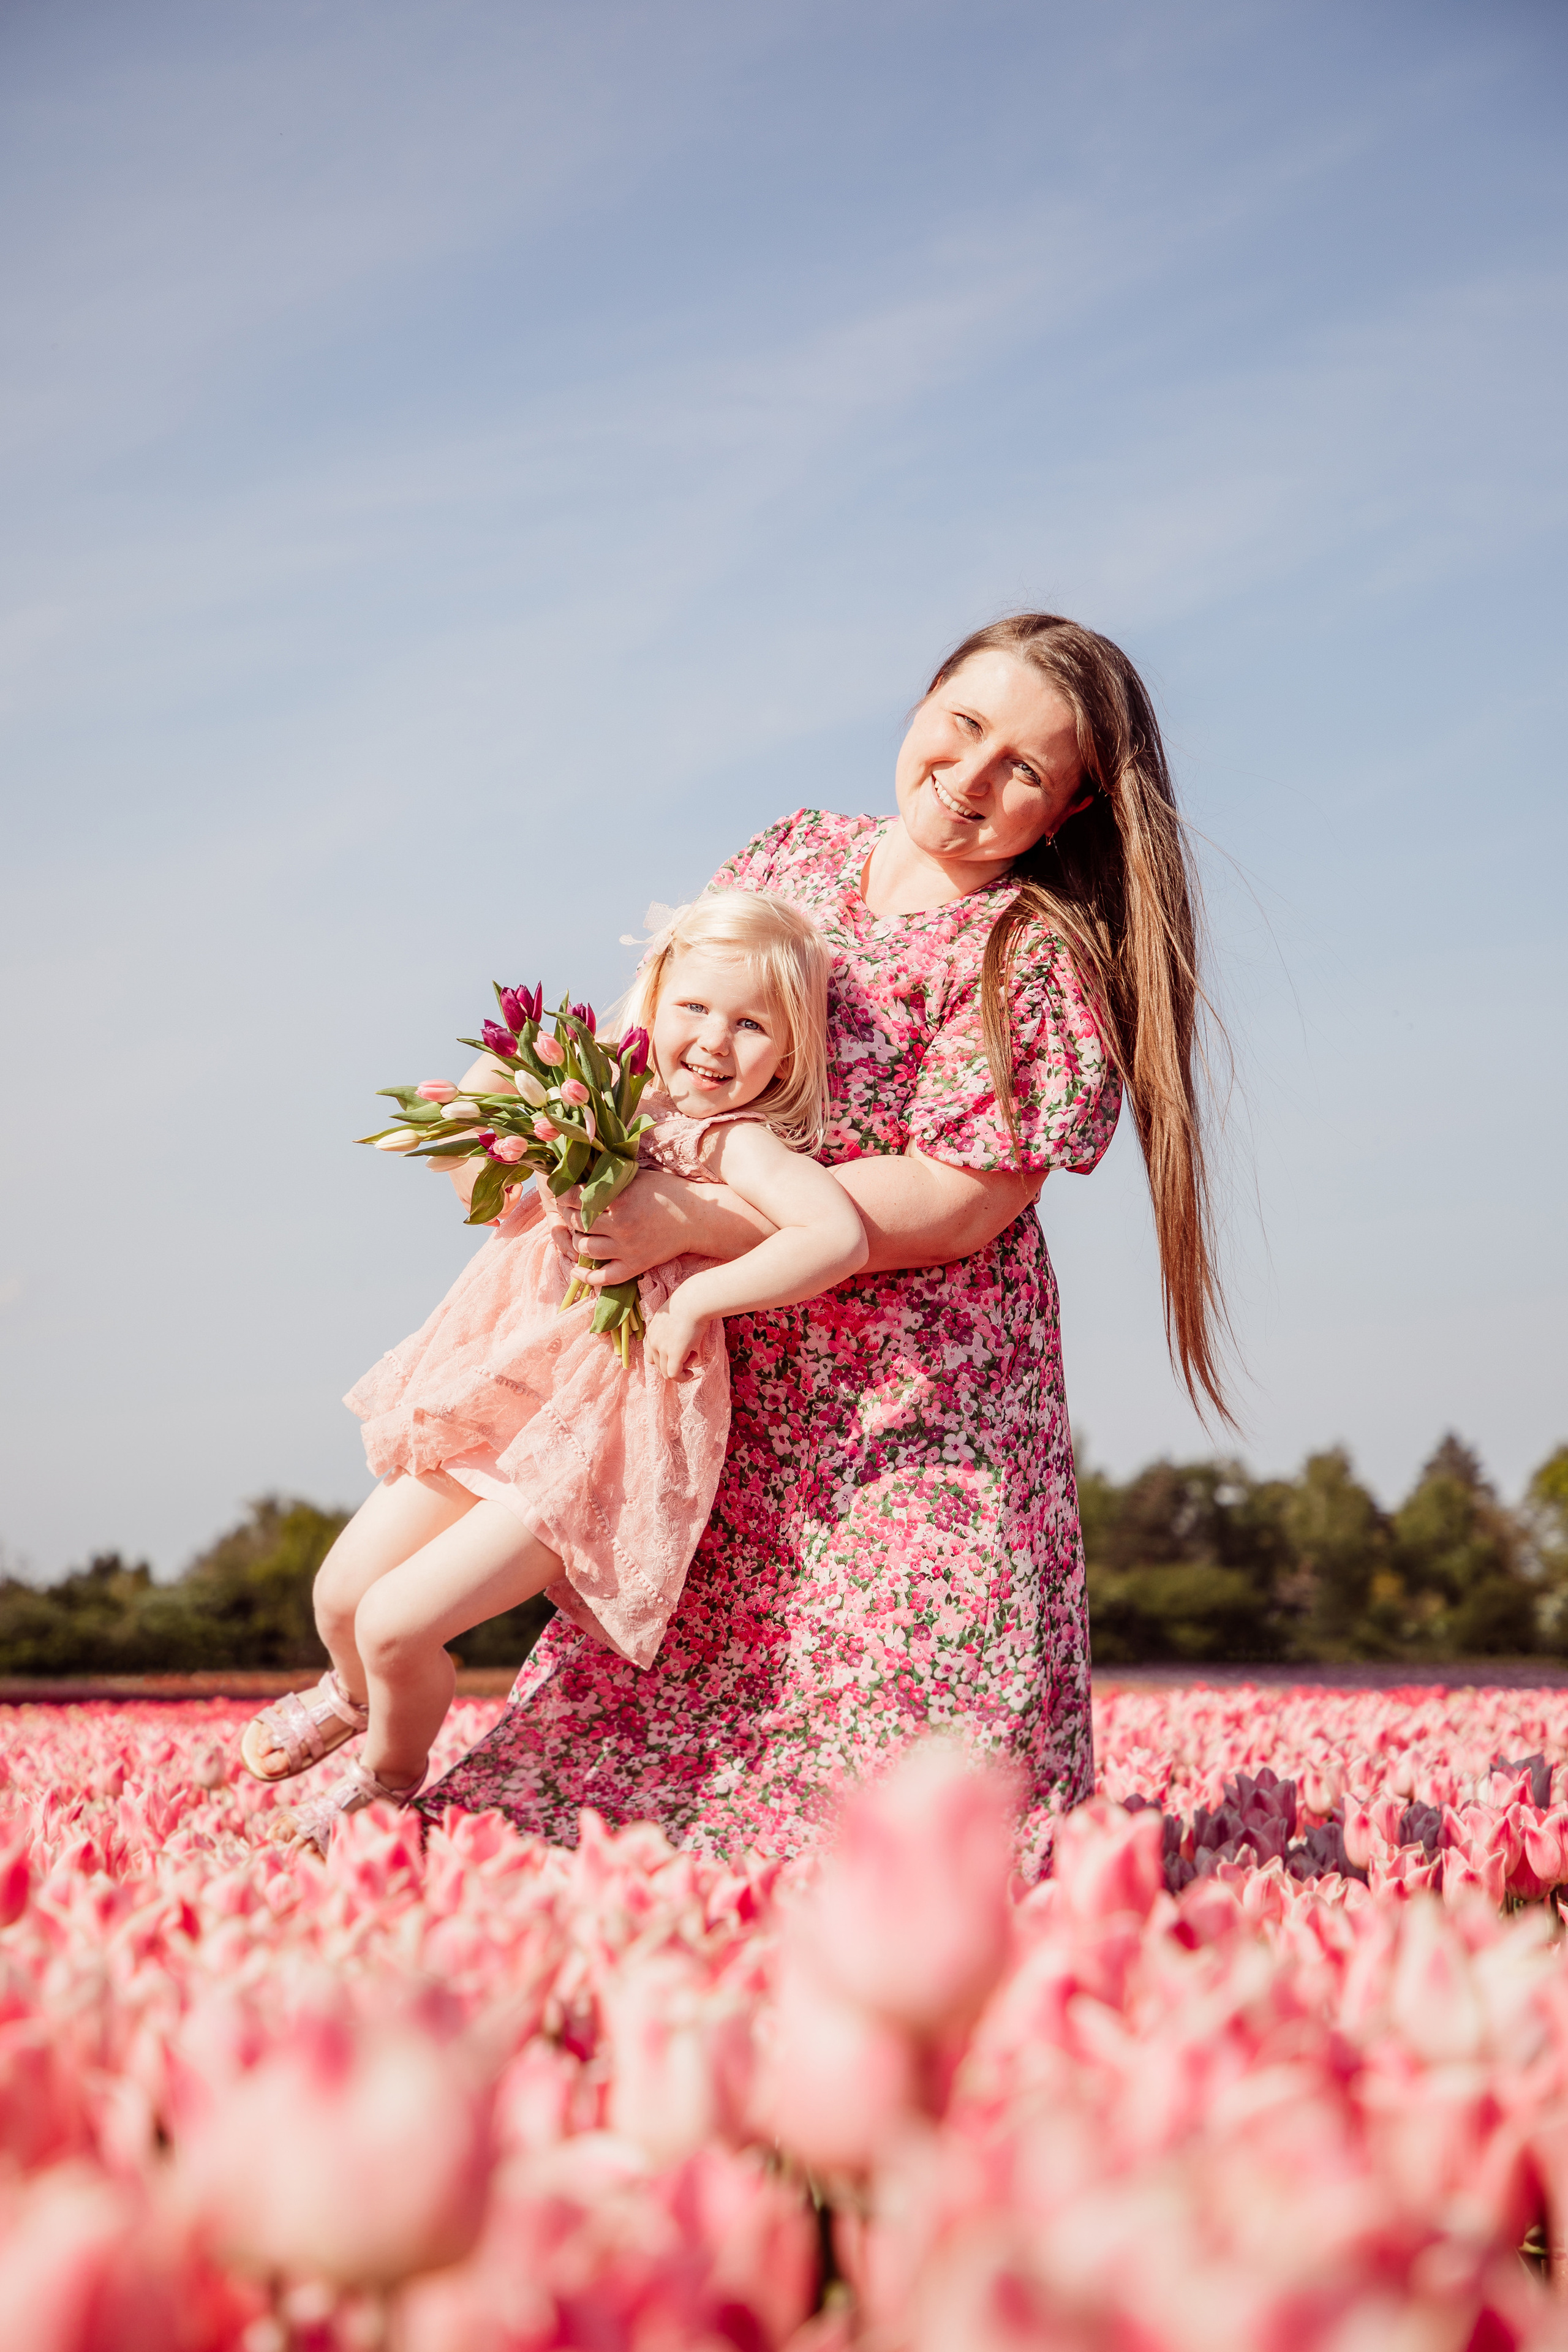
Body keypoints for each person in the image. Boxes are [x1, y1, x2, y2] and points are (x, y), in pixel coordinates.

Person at [412, 614, 1231, 1879]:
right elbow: (671, 1027)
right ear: (918, 706)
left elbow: (962, 1199)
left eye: (1021, 768)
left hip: (910, 1412)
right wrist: (550, 1118)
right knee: (656, 1740)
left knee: (912, 1753)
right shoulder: (791, 854)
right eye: (960, 726)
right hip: (730, 1387)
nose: (966, 779)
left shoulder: (1029, 956)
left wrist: (681, 1218)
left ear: (1067, 811)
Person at [238, 890, 868, 1847]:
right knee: (339, 1594)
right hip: (500, 1391)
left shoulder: (729, 1143)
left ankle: (390, 1780)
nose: (714, 1041)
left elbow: (840, 1235)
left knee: (399, 1621)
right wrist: (481, 1122)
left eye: (752, 1026)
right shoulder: (595, 1090)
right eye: (695, 1008)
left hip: (596, 1439)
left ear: (790, 1054)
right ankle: (352, 1697)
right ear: (654, 997)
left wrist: (702, 1296)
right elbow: (487, 1199)